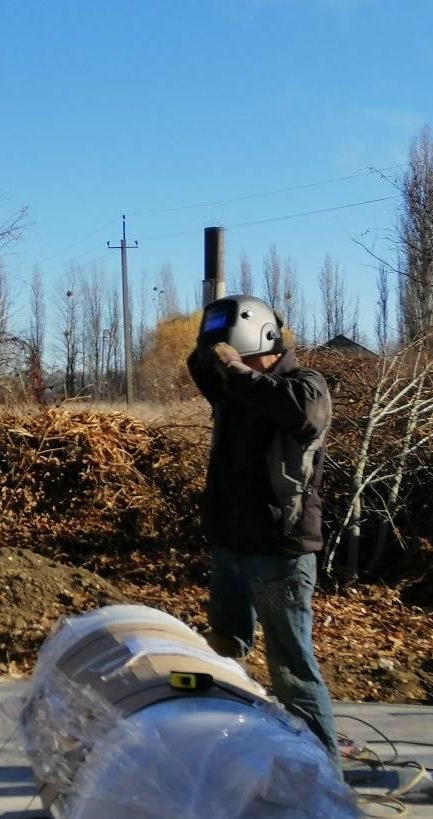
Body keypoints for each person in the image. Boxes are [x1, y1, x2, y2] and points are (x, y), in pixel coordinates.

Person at [186, 294, 343, 771]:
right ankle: (239, 750)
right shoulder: (236, 391)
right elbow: (202, 369)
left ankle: (322, 771)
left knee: (292, 669)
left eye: (240, 356)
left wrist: (238, 370)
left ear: (262, 342)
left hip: (279, 551)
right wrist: (214, 351)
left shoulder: (305, 386)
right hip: (230, 544)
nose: (231, 367)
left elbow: (304, 416)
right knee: (226, 651)